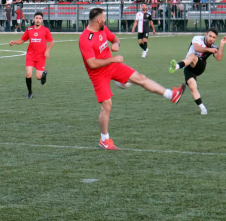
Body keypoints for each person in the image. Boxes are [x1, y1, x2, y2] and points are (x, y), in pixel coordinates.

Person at [79, 8, 184, 151]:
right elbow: (92, 63)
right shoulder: (85, 39)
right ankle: (104, 139)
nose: (106, 19)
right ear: (98, 20)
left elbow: (115, 39)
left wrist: (116, 44)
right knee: (107, 106)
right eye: (104, 18)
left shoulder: (103, 29)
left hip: (113, 66)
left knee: (141, 78)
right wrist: (112, 59)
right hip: (98, 74)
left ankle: (171, 95)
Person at [169, 29, 226, 115]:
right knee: (192, 86)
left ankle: (176, 66)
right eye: (210, 36)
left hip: (200, 66)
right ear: (206, 34)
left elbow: (219, 58)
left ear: (216, 39)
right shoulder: (197, 38)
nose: (211, 39)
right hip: (188, 66)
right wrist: (209, 50)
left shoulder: (214, 46)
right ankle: (203, 108)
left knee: (192, 56)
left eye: (214, 37)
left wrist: (221, 45)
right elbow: (197, 48)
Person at [9, 12, 54, 98]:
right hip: (30, 55)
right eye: (36, 18)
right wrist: (14, 42)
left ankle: (44, 74)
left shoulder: (45, 30)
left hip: (41, 57)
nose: (37, 20)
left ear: (42, 20)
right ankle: (30, 92)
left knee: (38, 77)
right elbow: (22, 40)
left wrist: (47, 51)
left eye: (39, 18)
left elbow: (51, 41)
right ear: (33, 19)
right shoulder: (29, 30)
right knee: (28, 74)